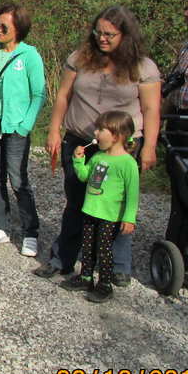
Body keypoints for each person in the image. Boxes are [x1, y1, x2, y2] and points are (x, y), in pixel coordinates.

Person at [39, 6, 161, 282]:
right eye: (98, 32)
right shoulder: (80, 59)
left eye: (109, 34)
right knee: (76, 201)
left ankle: (117, 266)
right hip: (81, 141)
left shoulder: (143, 67)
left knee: (115, 205)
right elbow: (63, 95)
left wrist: (150, 146)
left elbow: (152, 110)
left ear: (125, 35)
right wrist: (54, 131)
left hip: (122, 148)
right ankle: (63, 259)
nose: (102, 39)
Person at [0, 5, 45, 256]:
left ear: (19, 28)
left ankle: (30, 231)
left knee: (18, 180)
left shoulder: (30, 56)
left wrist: (25, 125)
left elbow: (38, 94)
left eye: (4, 26)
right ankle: (1, 226)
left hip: (15, 128)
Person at [60, 111, 140, 303]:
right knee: (87, 247)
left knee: (103, 251)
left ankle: (105, 283)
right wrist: (78, 160)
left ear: (116, 135)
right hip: (90, 211)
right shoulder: (98, 157)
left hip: (109, 216)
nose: (95, 133)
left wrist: (129, 218)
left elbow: (133, 195)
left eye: (100, 129)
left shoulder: (128, 163)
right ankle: (86, 277)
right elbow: (85, 176)